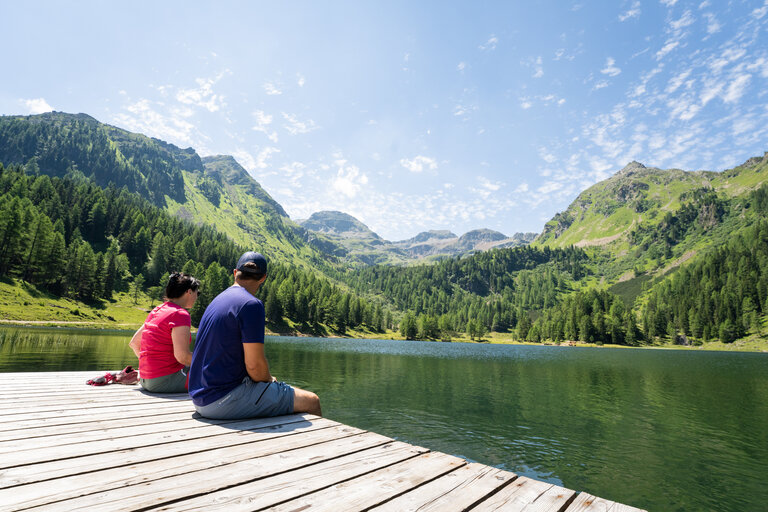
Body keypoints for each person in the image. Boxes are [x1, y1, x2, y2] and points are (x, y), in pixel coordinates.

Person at [188, 251, 321, 419]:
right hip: (221, 401)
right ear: (263, 278)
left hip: (200, 398)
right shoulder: (251, 305)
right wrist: (270, 380)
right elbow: (254, 367)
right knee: (312, 401)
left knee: (277, 393)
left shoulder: (217, 301)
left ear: (235, 273)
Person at [129, 272, 200, 393]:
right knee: (218, 373)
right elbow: (182, 357)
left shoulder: (158, 309)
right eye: (197, 293)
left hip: (145, 380)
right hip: (165, 381)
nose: (197, 297)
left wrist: (150, 370)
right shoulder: (180, 314)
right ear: (189, 292)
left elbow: (134, 343)